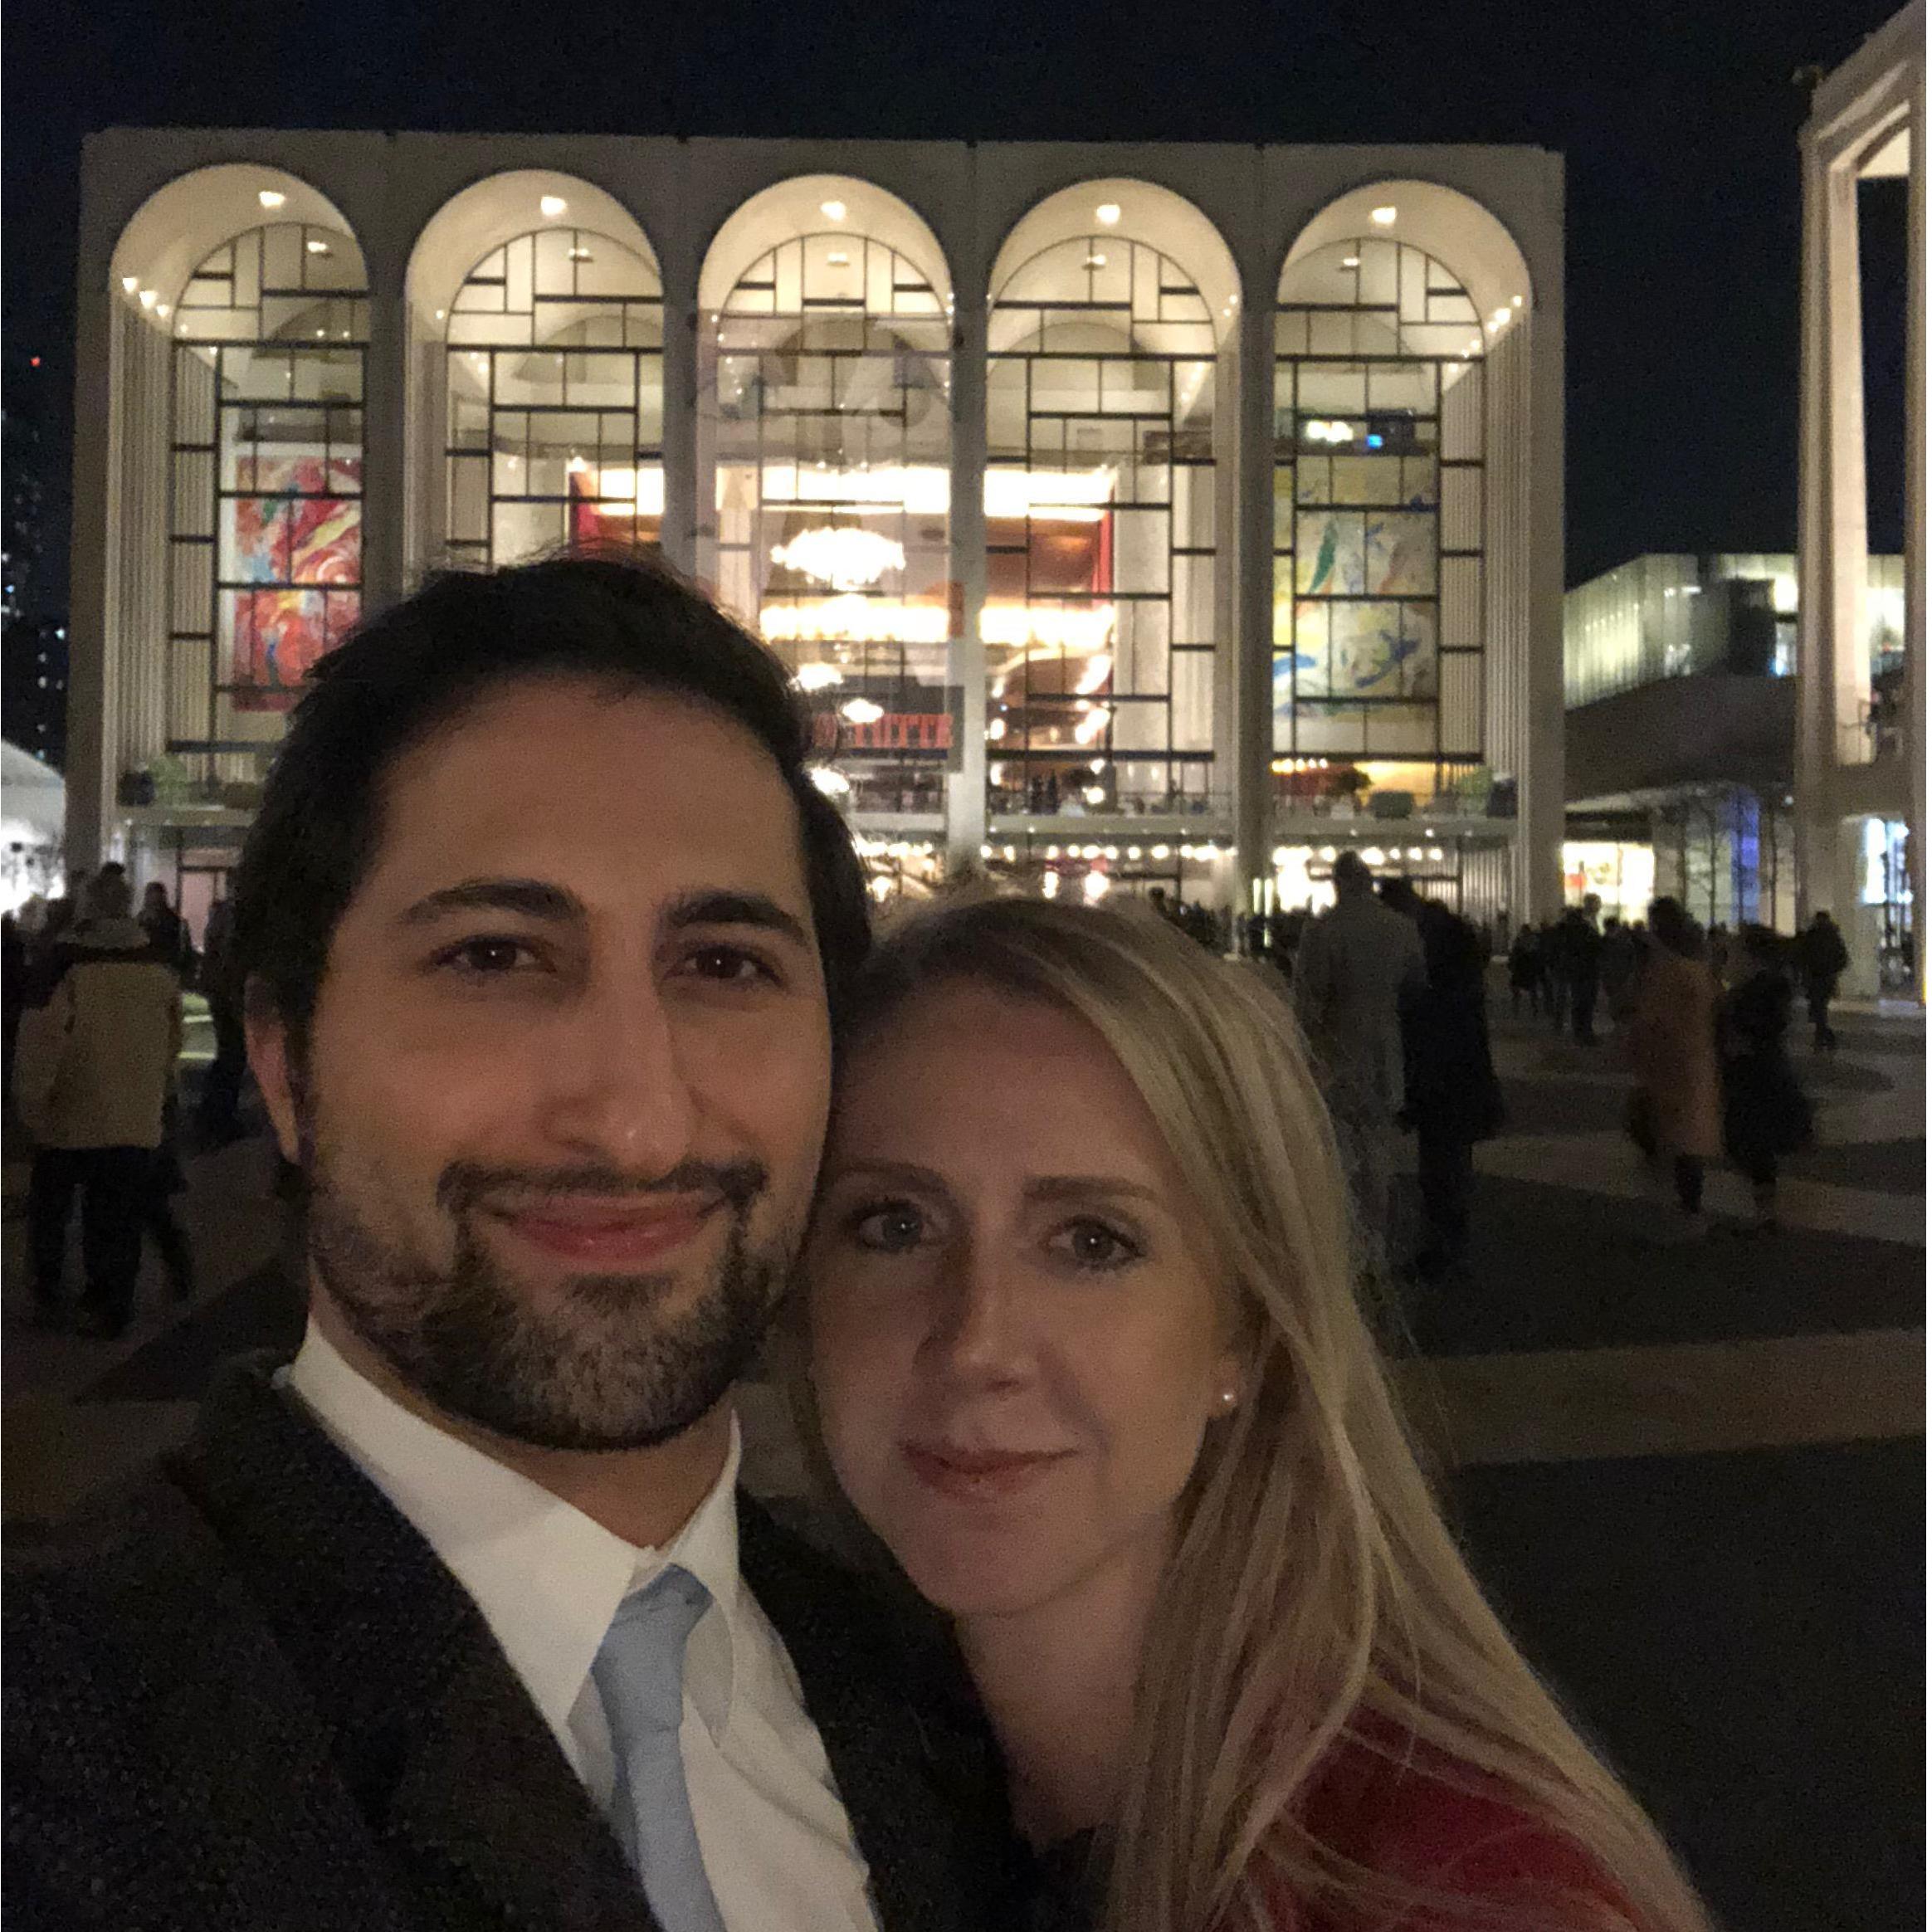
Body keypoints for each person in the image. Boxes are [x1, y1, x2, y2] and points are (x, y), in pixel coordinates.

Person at [4, 551, 1016, 1930]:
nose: (636, 1122)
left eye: (723, 964)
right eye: (493, 955)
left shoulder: (958, 1710)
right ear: (286, 1061)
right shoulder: (62, 1729)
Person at [803, 894, 1714, 1932]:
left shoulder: (1458, 1890)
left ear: (1242, 1331)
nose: (975, 1342)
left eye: (1092, 1243)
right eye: (895, 1224)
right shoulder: (806, 1758)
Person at [12, 866, 184, 1335]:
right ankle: (113, 1303)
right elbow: (174, 1039)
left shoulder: (63, 965)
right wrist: (159, 1089)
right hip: (135, 1115)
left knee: (52, 1212)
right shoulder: (156, 964)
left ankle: (50, 1295)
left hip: (69, 1115)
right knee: (117, 1217)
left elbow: (42, 1042)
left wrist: (31, 1106)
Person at [1293, 852, 1425, 1281]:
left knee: (1341, 1153)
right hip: (1387, 1047)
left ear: (1338, 883)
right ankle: (1378, 1242)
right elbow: (1417, 986)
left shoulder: (1325, 931)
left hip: (1338, 1050)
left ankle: (1348, 1244)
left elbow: (1309, 1002)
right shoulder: (1400, 929)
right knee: (1378, 1152)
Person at [1393, 891, 1505, 1283]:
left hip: (1441, 1093)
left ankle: (1444, 1253)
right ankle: (1449, 1249)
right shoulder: (1466, 991)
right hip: (1462, 1091)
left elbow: (1427, 1045)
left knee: (1441, 1174)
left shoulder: (1435, 996)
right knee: (1452, 1171)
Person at [1624, 898, 1722, 1242]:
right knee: (1684, 1141)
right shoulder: (1698, 966)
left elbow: (1651, 1019)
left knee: (1673, 1140)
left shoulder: (1666, 970)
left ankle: (1684, 1212)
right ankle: (1688, 1210)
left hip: (1671, 1064)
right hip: (1692, 1061)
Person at [1720, 925, 1813, 1232]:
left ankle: (1766, 1212)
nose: (1730, 956)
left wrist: (1741, 1038)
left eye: (1737, 950)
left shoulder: (1765, 987)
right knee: (1749, 1144)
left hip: (1757, 1076)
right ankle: (1765, 1211)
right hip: (1752, 1073)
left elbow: (1766, 1025)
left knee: (1751, 1142)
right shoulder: (1759, 985)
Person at [194, 887, 250, 1145]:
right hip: (228, 993)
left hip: (221, 991)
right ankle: (218, 1116)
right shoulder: (235, 919)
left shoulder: (223, 916)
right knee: (231, 1056)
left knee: (229, 1055)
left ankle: (214, 1114)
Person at [1793, 910, 1851, 1051]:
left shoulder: (1812, 936)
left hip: (1815, 978)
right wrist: (1833, 971)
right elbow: (1843, 958)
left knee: (1818, 1007)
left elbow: (1803, 956)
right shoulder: (1833, 936)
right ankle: (1824, 1036)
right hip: (1826, 978)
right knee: (1820, 1007)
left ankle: (1823, 1036)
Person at [139, 879, 196, 981]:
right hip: (149, 967)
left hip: (166, 967)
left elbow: (180, 946)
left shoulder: (172, 920)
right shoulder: (142, 918)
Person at [1505, 920, 1544, 1017]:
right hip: (1525, 968)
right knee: (1529, 989)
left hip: (1523, 968)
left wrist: (1511, 965)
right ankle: (1530, 1009)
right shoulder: (1531, 940)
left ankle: (1519, 1009)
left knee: (1522, 989)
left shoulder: (1521, 941)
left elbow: (1514, 954)